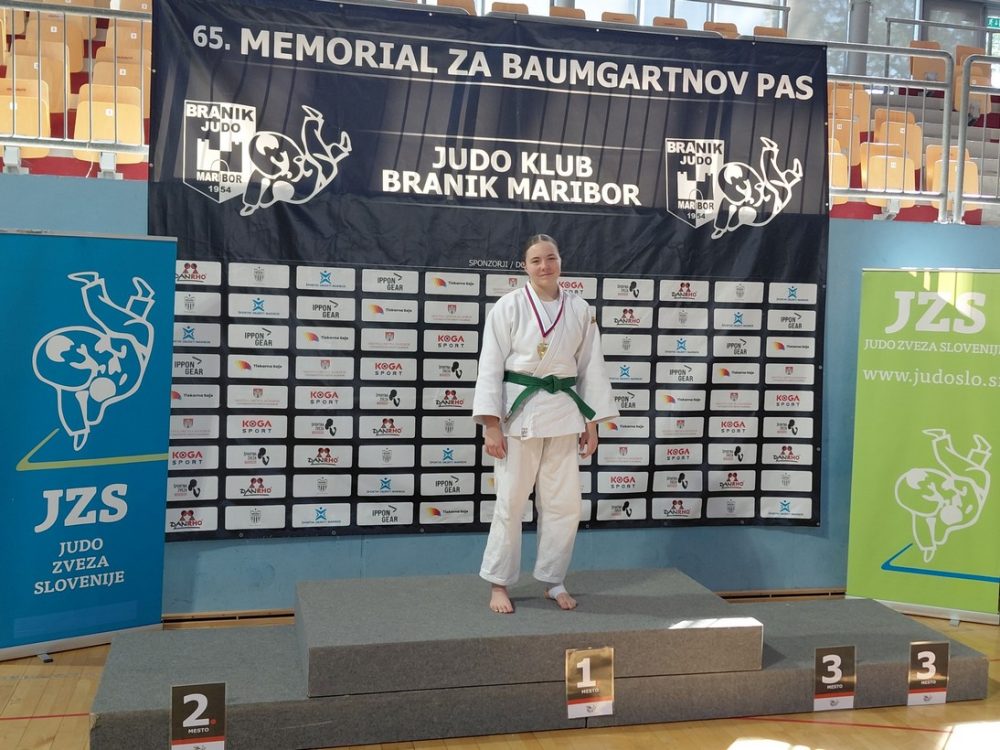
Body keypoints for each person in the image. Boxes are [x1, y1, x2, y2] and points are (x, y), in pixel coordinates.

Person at [473, 234, 618, 614]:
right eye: (536, 260)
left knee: (564, 504)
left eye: (550, 258)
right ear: (525, 266)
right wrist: (491, 424)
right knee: (511, 502)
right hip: (519, 414)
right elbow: (490, 366)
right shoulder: (508, 306)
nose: (544, 266)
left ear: (560, 262)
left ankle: (554, 580)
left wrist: (591, 422)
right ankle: (499, 583)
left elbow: (590, 368)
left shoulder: (580, 309)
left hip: (564, 414)